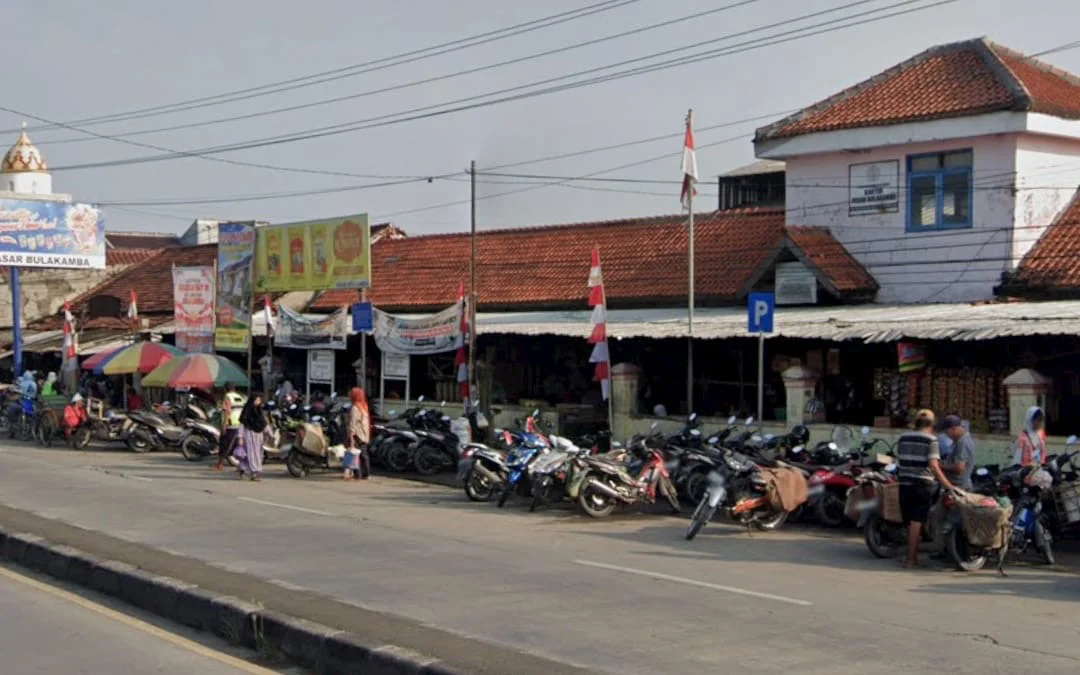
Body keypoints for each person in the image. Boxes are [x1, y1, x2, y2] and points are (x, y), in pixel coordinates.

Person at [895, 409, 954, 568]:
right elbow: (933, 465)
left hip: (904, 482)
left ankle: (910, 554)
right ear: (932, 424)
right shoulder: (931, 440)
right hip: (922, 484)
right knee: (917, 521)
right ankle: (911, 559)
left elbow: (899, 458)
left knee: (909, 520)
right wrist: (948, 485)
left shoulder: (903, 438)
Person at [939, 415, 975, 491]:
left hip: (959, 487)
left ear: (954, 429)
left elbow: (959, 468)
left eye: (947, 432)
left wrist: (940, 466)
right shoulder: (959, 441)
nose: (947, 435)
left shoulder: (963, 443)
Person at [237, 394, 267, 481]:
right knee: (251, 454)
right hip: (249, 435)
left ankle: (244, 469)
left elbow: (263, 424)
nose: (258, 402)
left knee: (258, 454)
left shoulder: (259, 411)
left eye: (259, 400)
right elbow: (242, 424)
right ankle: (255, 472)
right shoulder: (247, 411)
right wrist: (240, 437)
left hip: (259, 436)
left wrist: (268, 434)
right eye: (256, 400)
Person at [344, 387, 371, 480]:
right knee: (364, 455)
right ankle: (366, 474)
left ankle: (358, 475)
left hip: (357, 434)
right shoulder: (364, 406)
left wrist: (351, 436)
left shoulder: (355, 408)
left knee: (355, 455)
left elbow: (353, 423)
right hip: (364, 434)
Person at [215, 386, 242, 471]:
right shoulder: (239, 397)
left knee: (224, 444)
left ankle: (220, 464)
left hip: (230, 424)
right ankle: (241, 465)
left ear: (225, 389)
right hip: (238, 423)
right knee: (235, 445)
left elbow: (227, 411)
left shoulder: (227, 397)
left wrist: (224, 424)